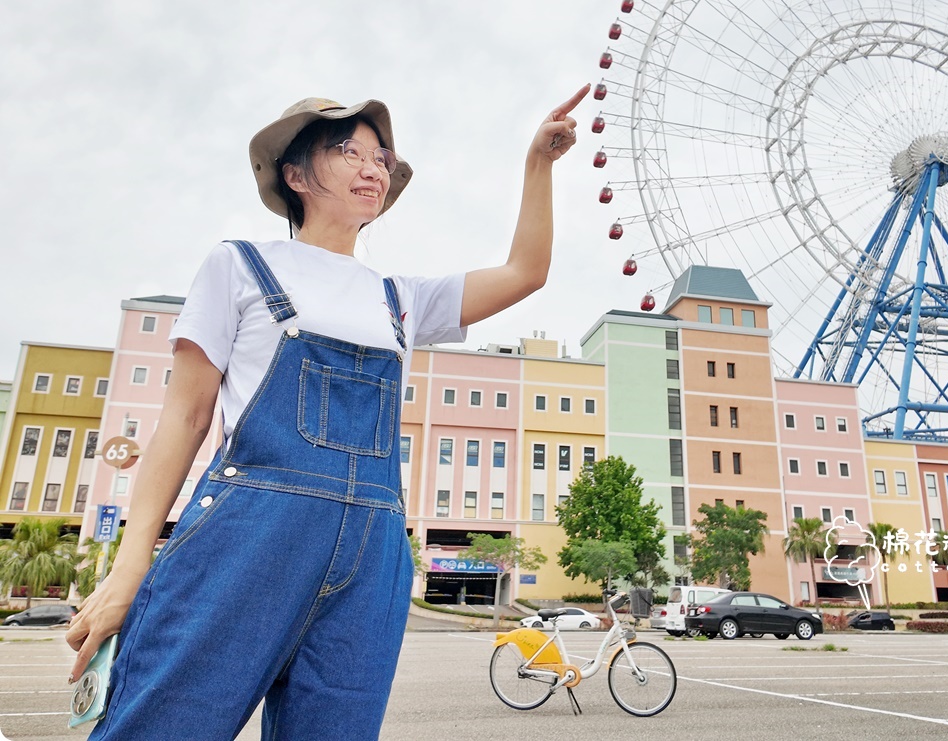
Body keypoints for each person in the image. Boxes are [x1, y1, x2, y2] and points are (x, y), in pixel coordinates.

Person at [65, 86, 588, 739]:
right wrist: (130, 563)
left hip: (372, 556)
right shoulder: (240, 265)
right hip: (249, 535)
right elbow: (186, 418)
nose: (374, 169)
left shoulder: (400, 298)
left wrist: (538, 163)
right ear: (295, 174)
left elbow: (525, 271)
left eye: (381, 158)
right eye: (349, 152)